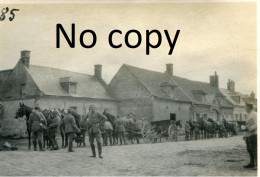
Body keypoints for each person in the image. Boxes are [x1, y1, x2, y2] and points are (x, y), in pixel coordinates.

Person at [242, 103, 257, 170]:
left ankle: (257, 165)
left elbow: (257, 124)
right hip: (248, 135)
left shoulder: (254, 114)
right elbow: (249, 124)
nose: (245, 109)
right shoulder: (249, 114)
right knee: (249, 149)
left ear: (249, 108)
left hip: (253, 134)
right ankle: (252, 163)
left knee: (254, 150)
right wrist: (244, 128)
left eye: (246, 107)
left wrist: (250, 128)